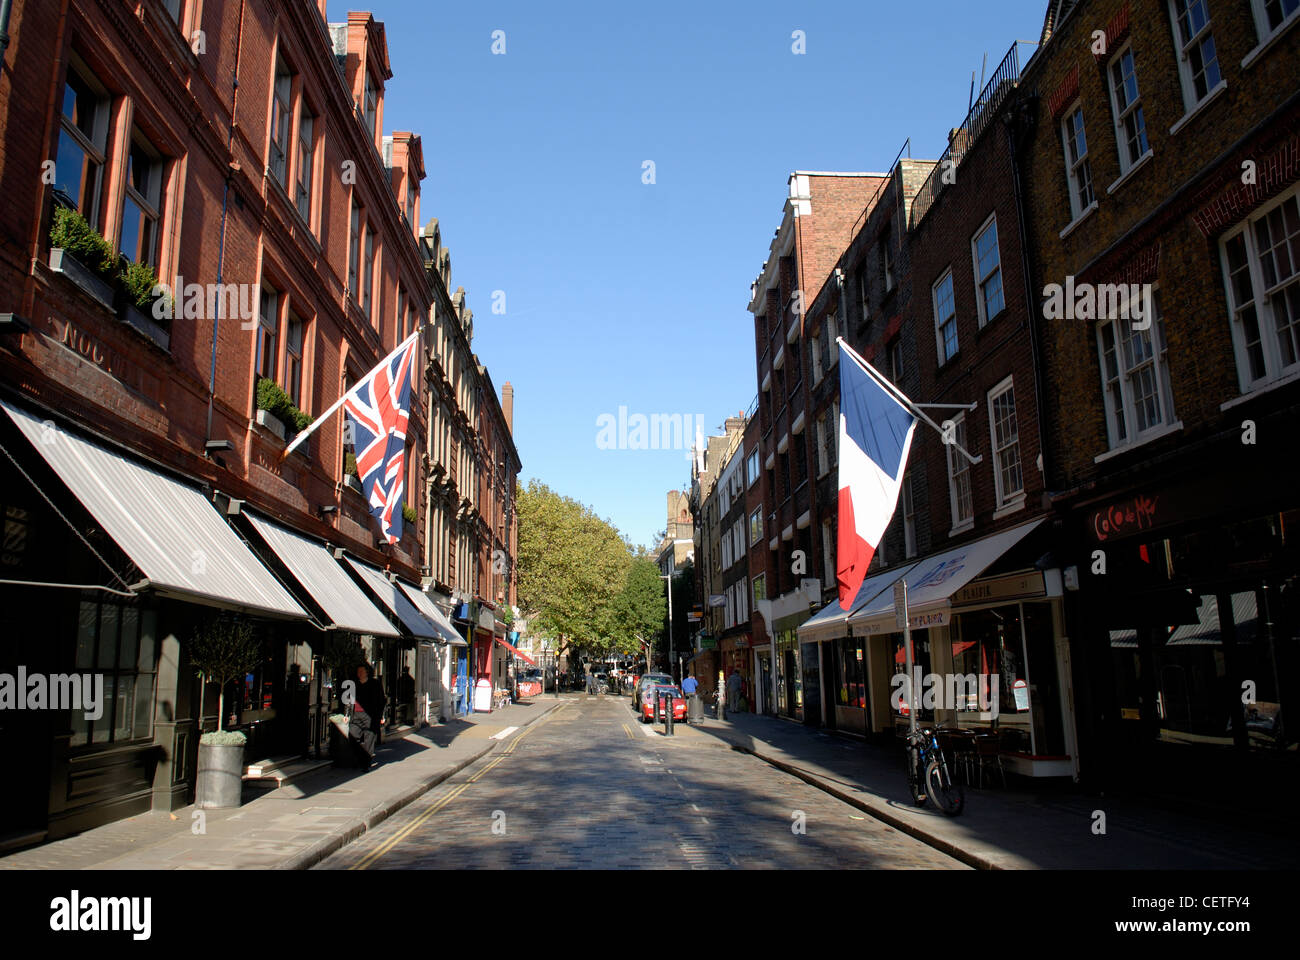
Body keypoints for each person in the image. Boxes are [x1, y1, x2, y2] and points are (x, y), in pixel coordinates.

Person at [350, 662, 386, 770]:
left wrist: (382, 716)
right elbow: (349, 700)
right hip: (356, 716)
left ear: (367, 672)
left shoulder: (375, 684)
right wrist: (347, 714)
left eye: (362, 671)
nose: (359, 673)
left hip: (371, 716)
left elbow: (381, 700)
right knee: (352, 736)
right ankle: (361, 758)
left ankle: (366, 764)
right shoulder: (354, 684)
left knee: (369, 740)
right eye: (358, 672)